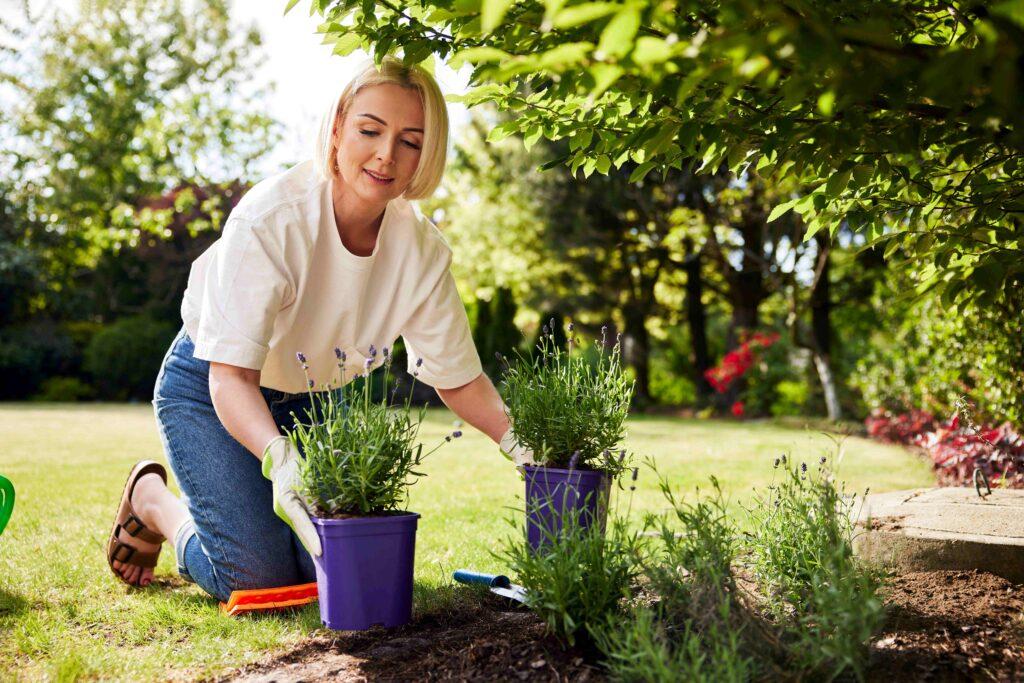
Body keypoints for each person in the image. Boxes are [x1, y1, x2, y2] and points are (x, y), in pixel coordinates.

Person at [105, 57, 533, 601]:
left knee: (336, 565)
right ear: (336, 129)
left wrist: (523, 447)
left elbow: (458, 377)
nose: (386, 154)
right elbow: (230, 377)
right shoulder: (271, 220)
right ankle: (153, 504)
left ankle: (241, 526)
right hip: (213, 388)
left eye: (410, 141)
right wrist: (279, 458)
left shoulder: (421, 251)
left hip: (314, 401)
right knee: (257, 578)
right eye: (370, 130)